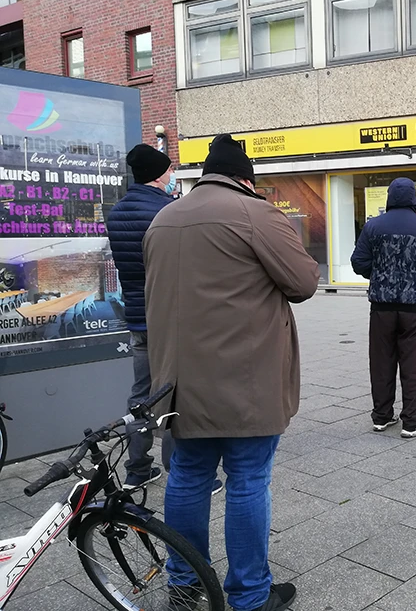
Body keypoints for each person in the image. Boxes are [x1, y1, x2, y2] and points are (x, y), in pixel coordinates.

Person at [144, 134, 320, 611]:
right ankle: (249, 595)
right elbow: (303, 282)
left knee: (186, 475)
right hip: (245, 379)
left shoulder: (164, 217)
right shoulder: (255, 213)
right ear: (246, 179)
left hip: (178, 383)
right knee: (246, 478)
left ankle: (183, 583)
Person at [107, 143, 206, 490]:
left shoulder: (116, 213)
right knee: (178, 395)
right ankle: (180, 470)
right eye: (169, 170)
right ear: (159, 174)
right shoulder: (171, 211)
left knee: (141, 396)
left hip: (138, 319)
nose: (172, 176)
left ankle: (137, 469)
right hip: (171, 320)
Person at [351, 178, 416, 438]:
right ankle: (412, 422)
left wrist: (380, 273)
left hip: (381, 307)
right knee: (413, 363)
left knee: (381, 361)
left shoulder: (373, 226)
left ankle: (382, 417)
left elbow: (358, 263)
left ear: (389, 198)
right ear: (414, 199)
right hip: (413, 307)